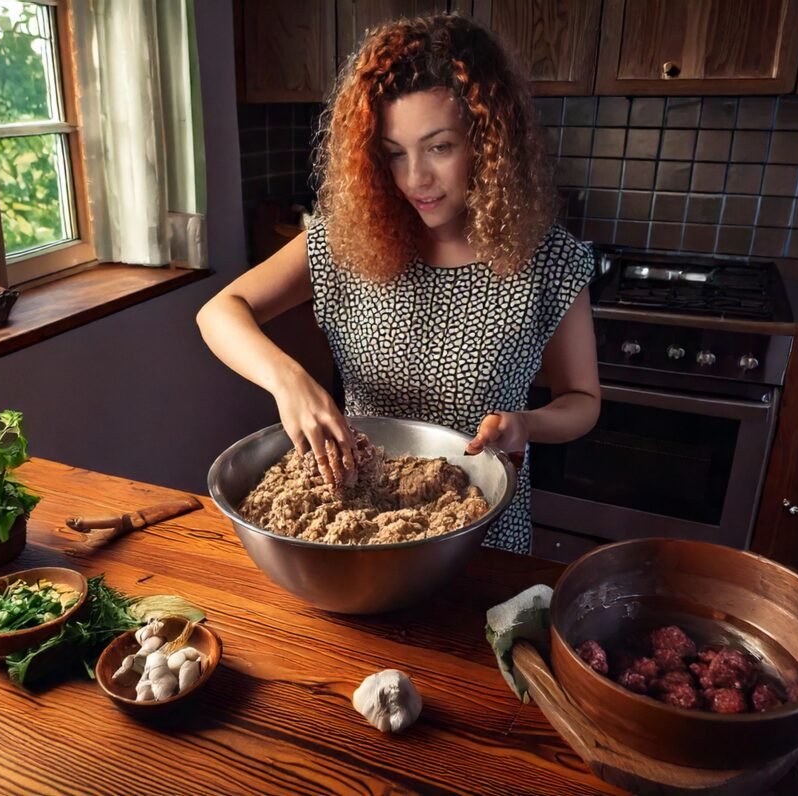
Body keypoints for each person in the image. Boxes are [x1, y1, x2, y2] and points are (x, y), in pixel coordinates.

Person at [198, 13, 600, 554]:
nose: (415, 179)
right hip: (359, 530)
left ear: (488, 144)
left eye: (440, 147)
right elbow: (220, 311)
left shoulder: (550, 260)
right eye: (393, 153)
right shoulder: (345, 243)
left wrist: (527, 424)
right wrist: (288, 381)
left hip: (482, 536)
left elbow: (582, 400)